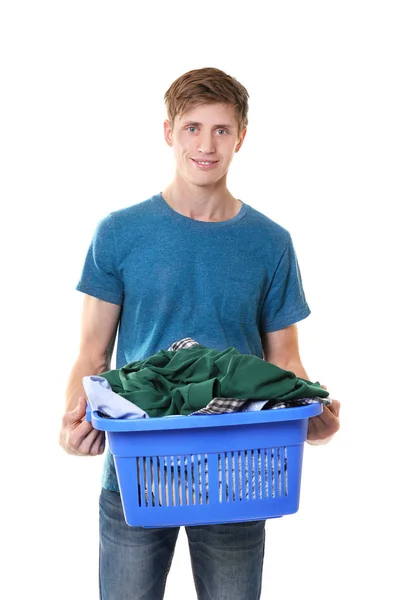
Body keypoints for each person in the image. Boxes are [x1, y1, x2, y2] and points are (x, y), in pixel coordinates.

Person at [59, 67, 340, 600]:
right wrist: (73, 420)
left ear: (241, 137)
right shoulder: (119, 233)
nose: (206, 145)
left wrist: (311, 407)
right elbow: (91, 355)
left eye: (221, 130)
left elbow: (285, 360)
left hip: (237, 469)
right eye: (192, 127)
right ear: (168, 132)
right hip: (139, 470)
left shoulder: (270, 243)